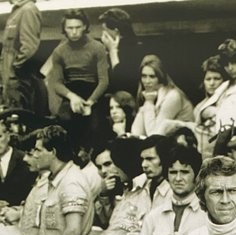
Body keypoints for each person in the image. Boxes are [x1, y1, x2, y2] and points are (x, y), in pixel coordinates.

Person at [47, 9, 109, 150]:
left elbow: (104, 81)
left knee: (95, 128)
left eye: (77, 27)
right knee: (63, 124)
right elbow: (57, 83)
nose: (74, 32)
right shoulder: (59, 52)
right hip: (71, 93)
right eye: (70, 28)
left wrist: (90, 102)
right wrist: (72, 97)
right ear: (64, 29)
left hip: (93, 93)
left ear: (85, 27)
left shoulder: (97, 48)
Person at [0, 0, 46, 115]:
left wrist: (14, 69)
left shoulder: (28, 10)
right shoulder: (17, 11)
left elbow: (29, 48)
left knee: (20, 118)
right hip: (11, 83)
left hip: (18, 83)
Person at [131, 54, 193, 137]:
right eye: (144, 76)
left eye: (152, 77)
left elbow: (154, 134)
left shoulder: (172, 96)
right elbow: (136, 133)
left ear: (160, 77)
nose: (147, 81)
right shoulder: (150, 94)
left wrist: (149, 101)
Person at [99, 7, 142, 96]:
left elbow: (122, 83)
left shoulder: (134, 51)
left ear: (116, 32)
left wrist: (112, 50)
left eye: (105, 30)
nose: (102, 35)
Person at [193, 55, 226, 157]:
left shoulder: (228, 103)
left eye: (217, 78)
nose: (212, 83)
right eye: (208, 79)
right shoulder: (199, 107)